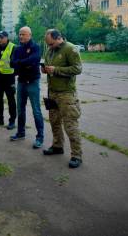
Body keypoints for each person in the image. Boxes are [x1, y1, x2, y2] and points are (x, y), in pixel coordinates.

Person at [41, 29, 83, 168]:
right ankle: (58, 146)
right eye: (48, 44)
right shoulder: (49, 51)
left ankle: (77, 155)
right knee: (54, 122)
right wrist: (45, 69)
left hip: (66, 94)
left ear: (58, 38)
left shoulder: (70, 49)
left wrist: (56, 70)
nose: (49, 47)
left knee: (70, 125)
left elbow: (77, 69)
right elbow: (50, 66)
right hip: (52, 92)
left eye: (51, 44)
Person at [10, 26, 44, 148]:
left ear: (30, 35)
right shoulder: (17, 49)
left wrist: (20, 63)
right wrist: (25, 63)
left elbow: (34, 60)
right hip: (22, 82)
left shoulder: (36, 47)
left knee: (36, 110)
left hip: (33, 82)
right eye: (19, 34)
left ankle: (40, 137)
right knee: (20, 109)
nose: (21, 36)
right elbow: (12, 63)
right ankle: (20, 132)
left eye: (23, 34)